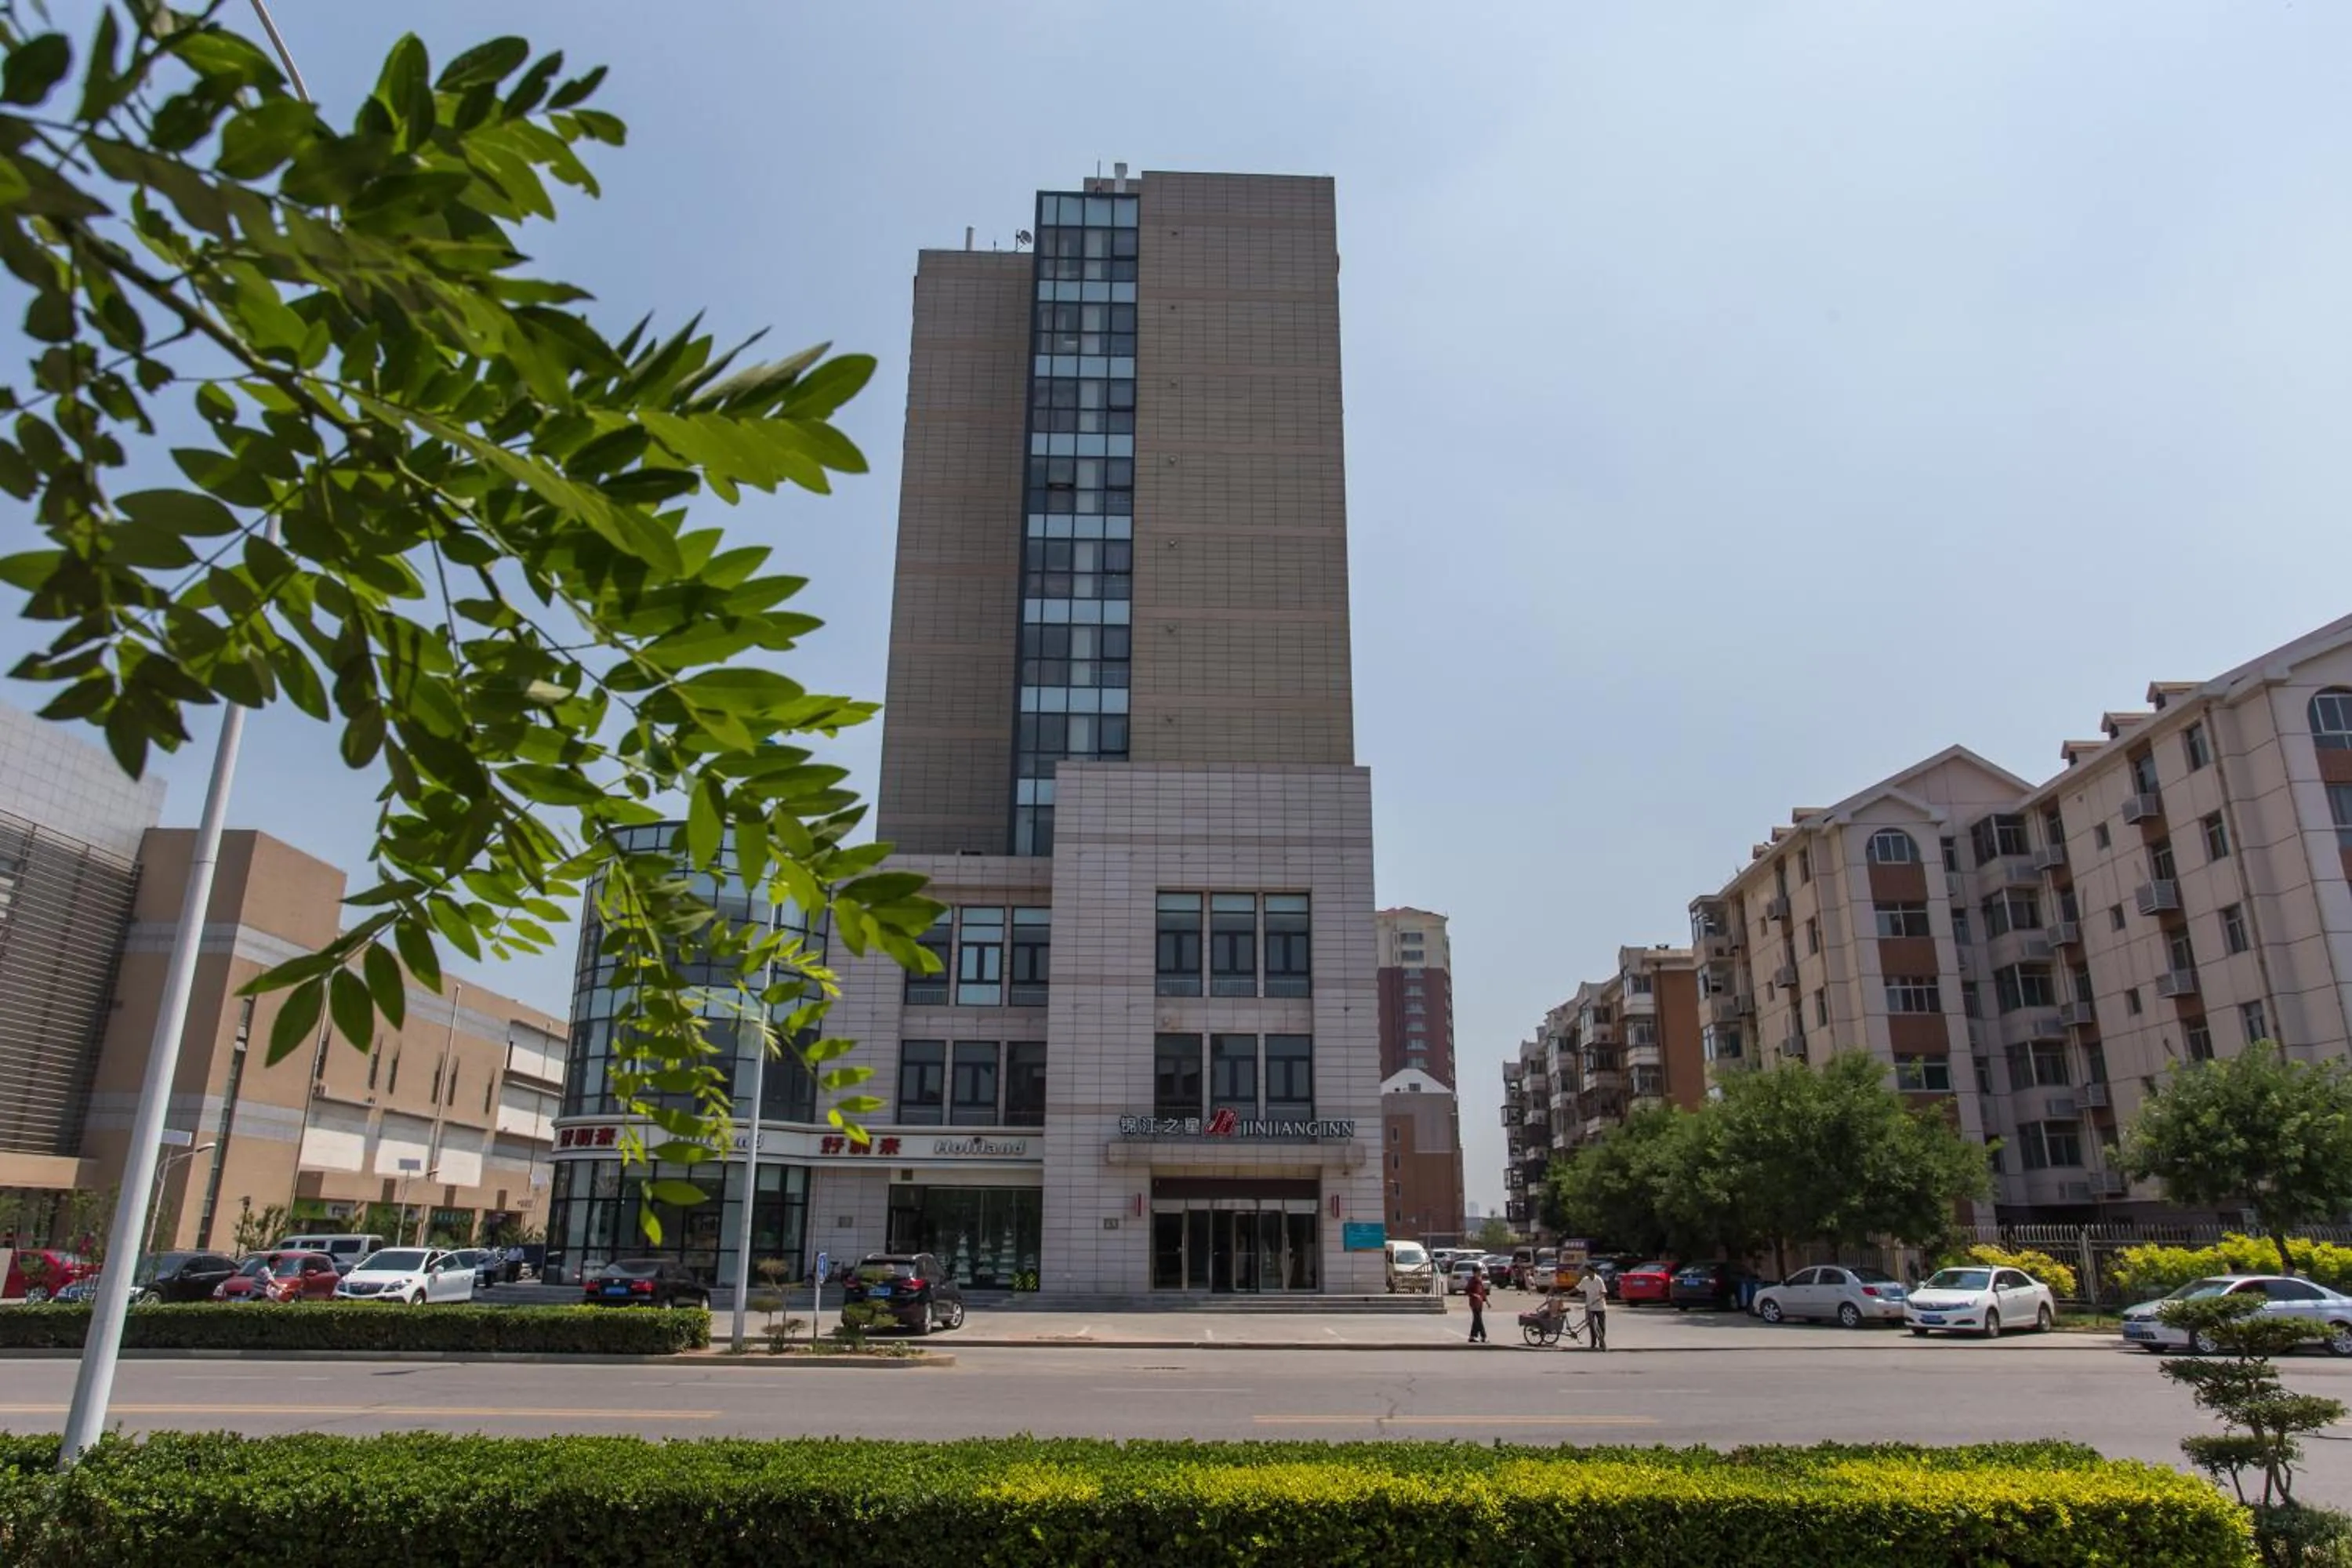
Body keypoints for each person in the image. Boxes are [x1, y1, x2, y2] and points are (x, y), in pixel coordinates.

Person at [1579, 1263, 1608, 1352]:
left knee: (1601, 1325)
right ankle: (1593, 1343)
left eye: (1587, 1271)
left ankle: (1601, 1342)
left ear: (1591, 1271)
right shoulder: (1585, 1280)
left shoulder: (1599, 1280)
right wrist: (1568, 1293)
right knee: (1591, 1326)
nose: (1586, 1273)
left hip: (1600, 1306)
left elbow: (1603, 1292)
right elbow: (1578, 1288)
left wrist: (1599, 1298)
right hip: (1590, 1307)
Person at [1465, 1263, 1490, 1343]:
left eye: (1480, 1271)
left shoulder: (1479, 1280)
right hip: (1474, 1303)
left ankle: (1472, 1336)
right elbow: (1467, 1291)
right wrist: (1475, 1295)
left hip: (1480, 1303)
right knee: (1479, 1320)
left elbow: (1482, 1292)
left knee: (1476, 1320)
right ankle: (1484, 1336)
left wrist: (1487, 1301)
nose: (1480, 1273)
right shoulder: (1472, 1281)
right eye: (1479, 1271)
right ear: (1474, 1272)